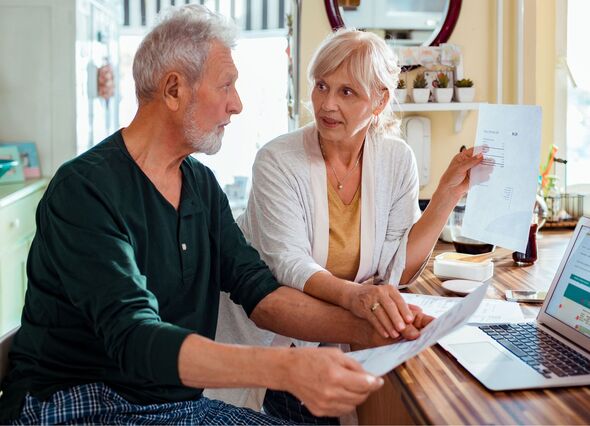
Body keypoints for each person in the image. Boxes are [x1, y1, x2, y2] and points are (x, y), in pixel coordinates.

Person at [0, 6, 435, 424]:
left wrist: (374, 327)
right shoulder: (85, 190)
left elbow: (260, 293)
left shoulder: (201, 187)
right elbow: (134, 338)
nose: (238, 104)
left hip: (174, 407)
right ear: (174, 90)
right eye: (226, 86)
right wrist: (285, 368)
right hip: (79, 404)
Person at [209, 28, 484, 424]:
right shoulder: (277, 160)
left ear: (380, 101)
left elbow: (397, 267)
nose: (327, 104)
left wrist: (444, 197)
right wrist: (357, 297)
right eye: (322, 86)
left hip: (332, 343)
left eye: (347, 92)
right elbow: (289, 265)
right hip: (269, 344)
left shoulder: (395, 160)